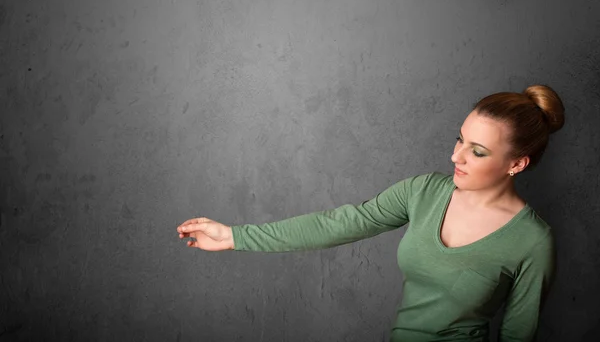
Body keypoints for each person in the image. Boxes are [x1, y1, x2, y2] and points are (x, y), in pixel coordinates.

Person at [177, 84, 565, 342]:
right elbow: (341, 222)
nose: (456, 156)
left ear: (516, 164)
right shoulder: (424, 191)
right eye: (459, 139)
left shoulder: (532, 241)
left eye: (477, 151)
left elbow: (518, 336)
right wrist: (235, 237)